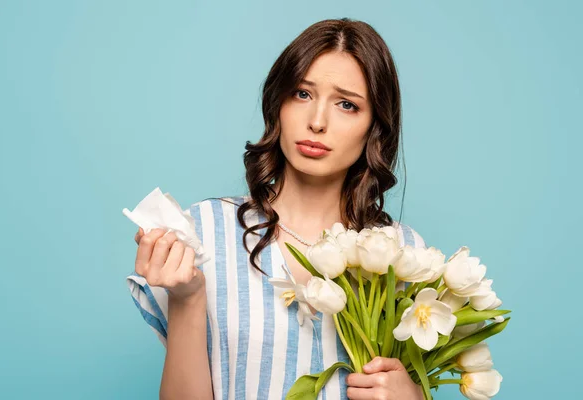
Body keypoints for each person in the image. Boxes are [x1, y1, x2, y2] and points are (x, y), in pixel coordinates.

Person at [127, 17, 428, 400]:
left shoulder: (404, 254)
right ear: (278, 103)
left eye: (347, 105)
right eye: (302, 94)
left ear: (375, 127)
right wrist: (187, 299)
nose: (317, 122)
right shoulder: (204, 231)